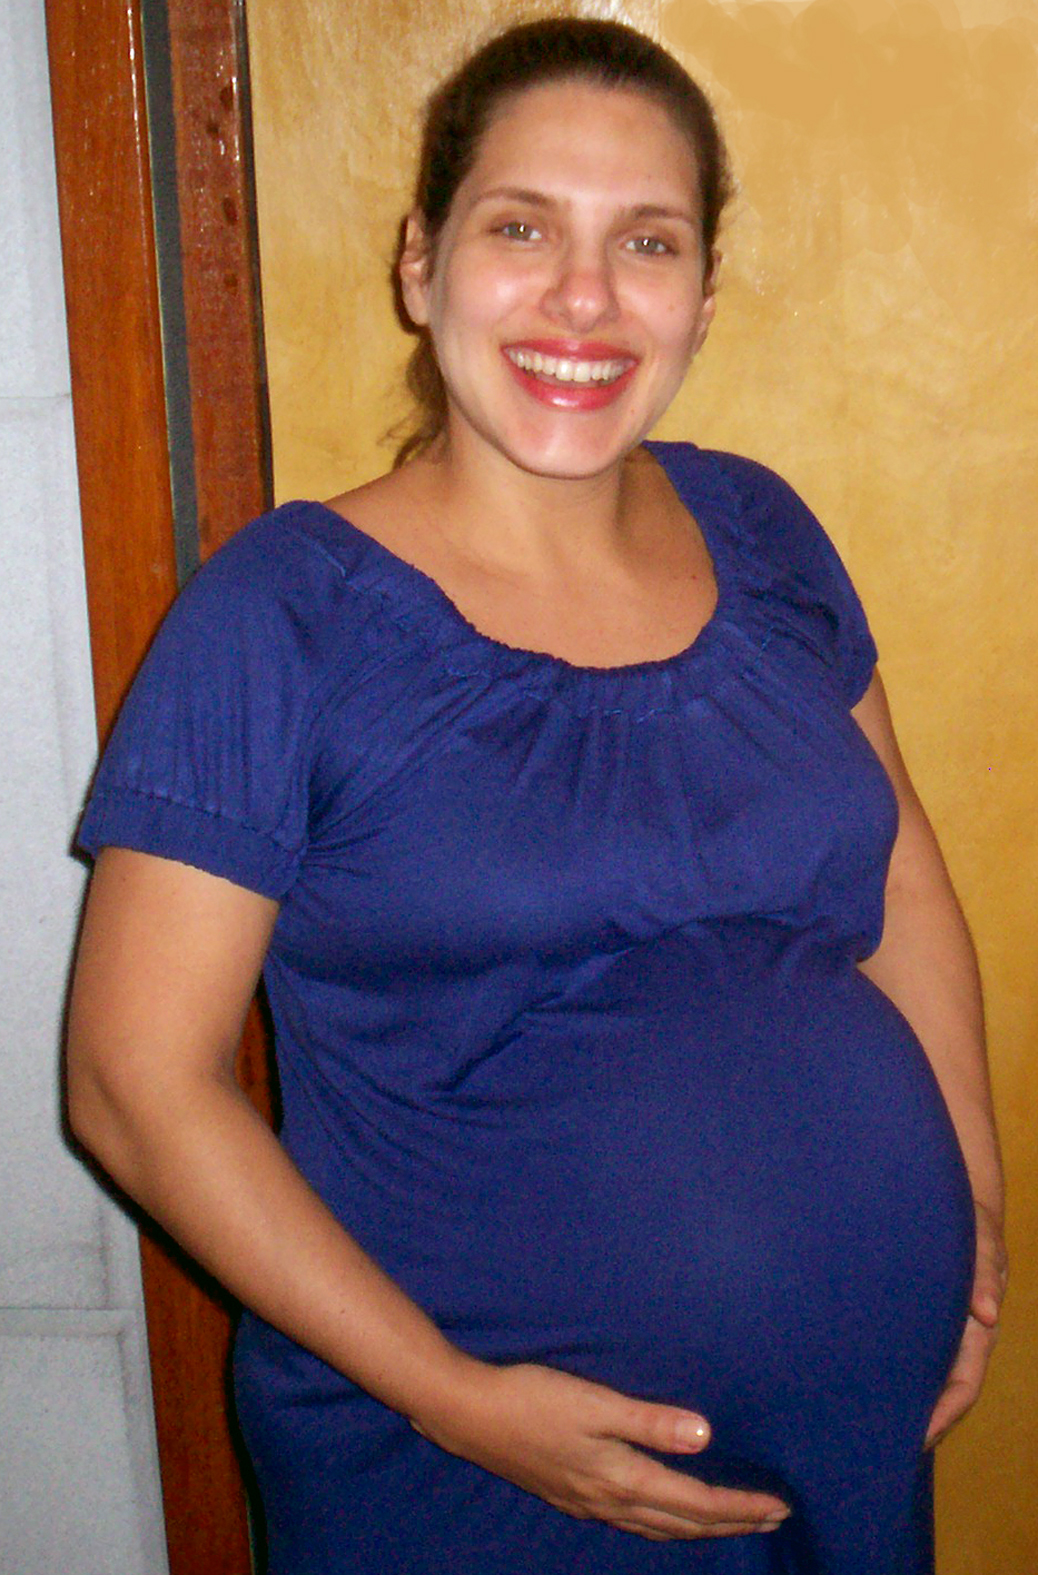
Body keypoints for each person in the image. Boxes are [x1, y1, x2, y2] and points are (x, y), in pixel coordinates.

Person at [67, 16, 1006, 1574]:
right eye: (520, 228)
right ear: (418, 262)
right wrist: (459, 1403)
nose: (584, 296)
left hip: (845, 1448)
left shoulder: (762, 528)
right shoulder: (280, 615)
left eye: (645, 240)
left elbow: (897, 862)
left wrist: (966, 1198)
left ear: (702, 294)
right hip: (465, 1471)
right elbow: (132, 1083)